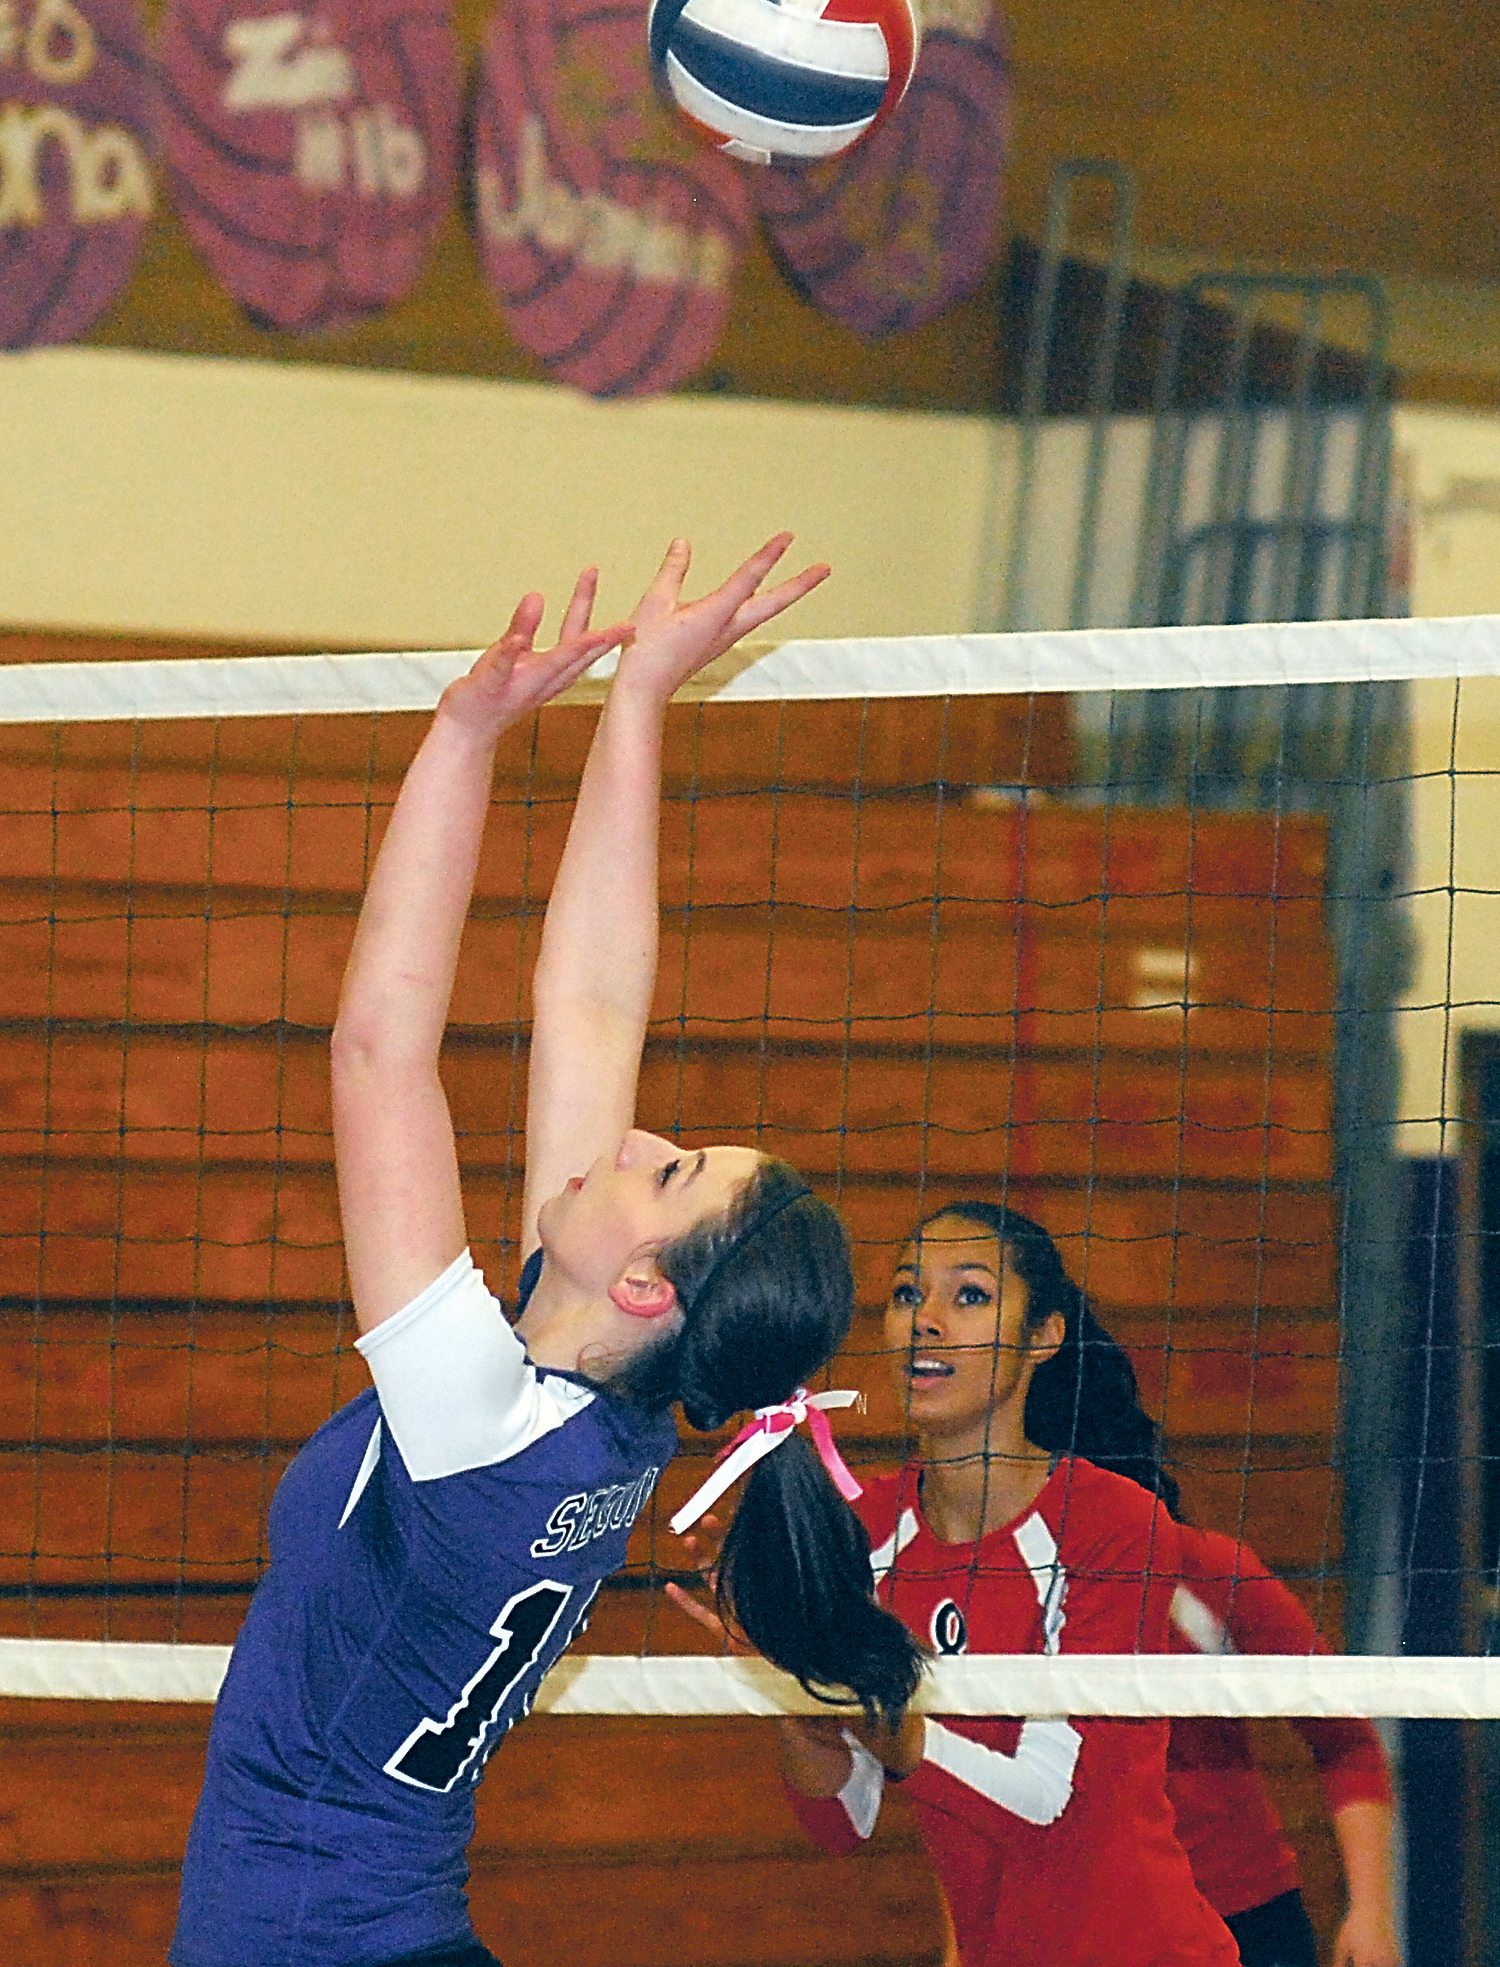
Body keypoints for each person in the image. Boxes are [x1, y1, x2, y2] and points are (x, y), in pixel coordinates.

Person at [168, 536, 925, 1967]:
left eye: (674, 1167)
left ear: (648, 1282)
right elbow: (589, 1006)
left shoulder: (486, 1427)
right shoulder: (604, 1410)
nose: (641, 1139)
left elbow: (378, 1052)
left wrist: (465, 736)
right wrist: (636, 702)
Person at [673, 1199, 1241, 1967]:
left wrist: (892, 1725)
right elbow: (844, 1819)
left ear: (1044, 1336)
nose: (926, 1319)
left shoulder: (1115, 1521)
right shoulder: (864, 1525)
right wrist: (794, 1683)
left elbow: (1048, 1804)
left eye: (969, 1295)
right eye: (908, 1293)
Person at [1166, 1522, 1400, 1967]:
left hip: (1242, 1911)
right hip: (1085, 1917)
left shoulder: (1207, 1569)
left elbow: (1347, 1740)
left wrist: (1371, 1911)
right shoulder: (1020, 1574)